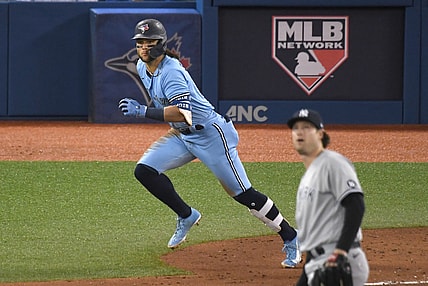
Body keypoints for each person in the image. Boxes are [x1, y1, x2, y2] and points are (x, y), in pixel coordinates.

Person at [117, 18, 301, 268]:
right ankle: (186, 215)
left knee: (243, 194)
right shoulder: (142, 66)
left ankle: (290, 236)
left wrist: (142, 112)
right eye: (140, 42)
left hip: (211, 135)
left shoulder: (172, 72)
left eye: (150, 42)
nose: (144, 47)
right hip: (183, 136)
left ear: (161, 44)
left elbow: (183, 113)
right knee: (145, 171)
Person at [286, 108, 369, 285]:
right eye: (296, 128)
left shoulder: (333, 163)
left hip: (337, 260)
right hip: (315, 261)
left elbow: (356, 205)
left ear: (320, 134)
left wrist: (341, 251)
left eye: (307, 127)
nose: (300, 132)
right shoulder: (310, 174)